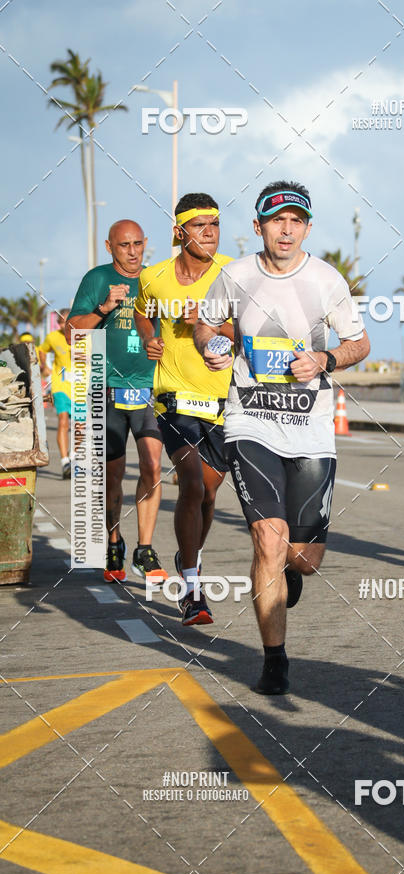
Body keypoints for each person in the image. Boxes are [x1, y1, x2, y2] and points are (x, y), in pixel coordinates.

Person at [194, 180, 370, 694]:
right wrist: (211, 348)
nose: (286, 230)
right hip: (249, 422)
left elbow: (359, 342)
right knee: (267, 540)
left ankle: (290, 570)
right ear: (259, 227)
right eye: (277, 220)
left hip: (311, 429)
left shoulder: (326, 279)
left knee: (303, 559)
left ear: (307, 228)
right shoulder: (235, 275)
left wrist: (325, 358)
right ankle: (275, 659)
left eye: (296, 221)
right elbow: (205, 325)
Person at [133, 193, 233, 626]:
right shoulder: (153, 277)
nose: (209, 233)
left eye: (215, 224)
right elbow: (142, 313)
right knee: (190, 484)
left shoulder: (234, 274)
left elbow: (253, 329)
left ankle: (187, 554)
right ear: (179, 232)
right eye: (199, 225)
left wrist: (212, 324)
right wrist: (149, 338)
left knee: (208, 493)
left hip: (223, 400)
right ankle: (192, 591)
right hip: (172, 397)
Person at [66, 220, 167, 584]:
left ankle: (145, 548)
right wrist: (104, 308)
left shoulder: (157, 279)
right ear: (110, 246)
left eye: (138, 243)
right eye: (124, 245)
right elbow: (72, 333)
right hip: (106, 390)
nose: (133, 251)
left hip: (149, 390)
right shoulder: (97, 278)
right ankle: (113, 541)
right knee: (113, 477)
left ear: (145, 243)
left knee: (152, 465)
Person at [39, 310, 73, 479]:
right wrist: (44, 365)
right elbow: (42, 350)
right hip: (60, 385)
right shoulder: (53, 337)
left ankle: (73, 456)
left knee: (81, 426)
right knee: (63, 420)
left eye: (65, 322)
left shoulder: (86, 336)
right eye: (60, 322)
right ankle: (65, 461)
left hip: (81, 388)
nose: (62, 325)